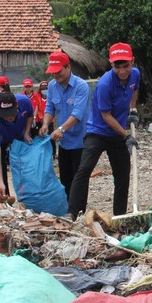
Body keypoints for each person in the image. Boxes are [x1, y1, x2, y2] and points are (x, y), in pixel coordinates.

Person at [66, 42, 140, 219]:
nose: (122, 71)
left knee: (122, 176)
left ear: (132, 62)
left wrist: (133, 109)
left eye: (126, 66)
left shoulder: (135, 75)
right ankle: (71, 213)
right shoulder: (105, 84)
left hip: (118, 133)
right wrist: (126, 135)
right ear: (111, 63)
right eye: (117, 66)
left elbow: (134, 90)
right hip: (98, 132)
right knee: (84, 170)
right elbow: (106, 115)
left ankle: (119, 217)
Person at [40, 51, 90, 198]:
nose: (55, 75)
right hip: (63, 142)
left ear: (68, 67)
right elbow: (50, 108)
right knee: (65, 178)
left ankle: (79, 211)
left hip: (80, 141)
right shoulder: (52, 86)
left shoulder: (81, 86)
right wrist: (45, 124)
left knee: (79, 179)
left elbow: (77, 114)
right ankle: (68, 209)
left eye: (58, 71)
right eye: (53, 73)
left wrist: (61, 128)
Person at [0, 89, 34, 201]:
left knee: (27, 167)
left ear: (16, 105)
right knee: (0, 169)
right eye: (5, 114)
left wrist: (27, 132)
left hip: (20, 136)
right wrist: (0, 182)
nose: (9, 117)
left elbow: (30, 115)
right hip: (2, 138)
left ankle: (29, 198)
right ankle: (3, 198)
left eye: (11, 113)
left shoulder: (24, 101)